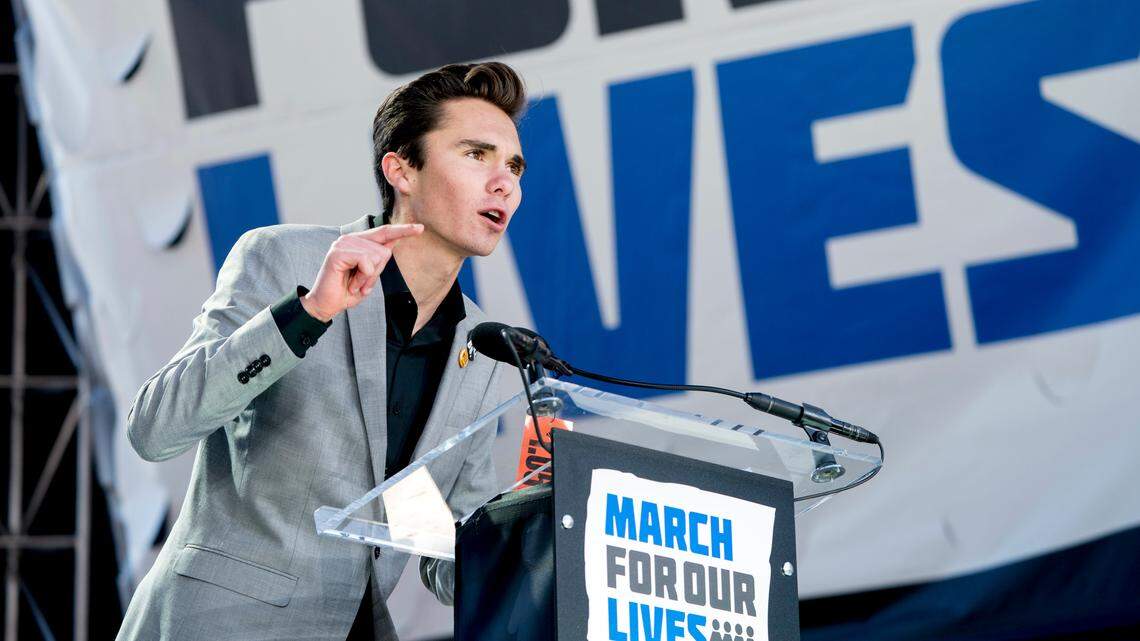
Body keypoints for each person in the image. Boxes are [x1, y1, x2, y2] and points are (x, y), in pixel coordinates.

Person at [116, 62, 527, 641]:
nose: (504, 182)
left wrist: (534, 533)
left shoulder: (480, 347)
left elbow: (443, 551)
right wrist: (306, 315)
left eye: (514, 166)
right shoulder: (286, 259)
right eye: (476, 154)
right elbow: (155, 429)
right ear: (402, 170)